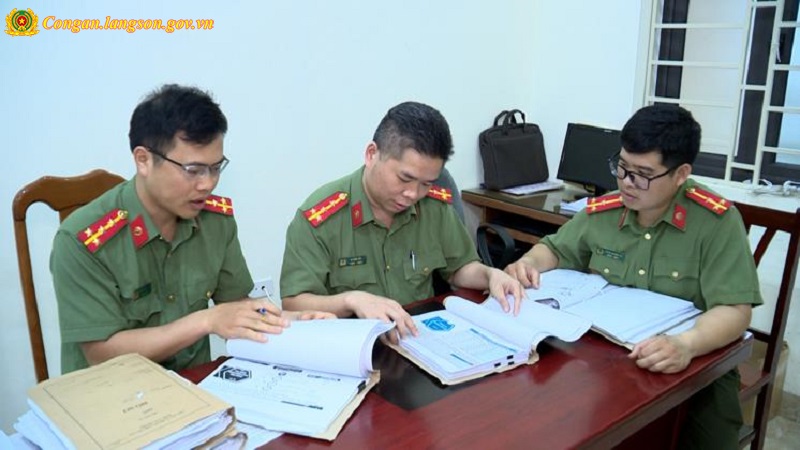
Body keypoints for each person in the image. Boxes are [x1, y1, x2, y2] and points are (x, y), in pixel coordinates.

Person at [504, 104, 761, 449]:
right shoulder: (606, 210)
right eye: (622, 167)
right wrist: (528, 263)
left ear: (681, 174)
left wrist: (687, 345)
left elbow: (735, 310)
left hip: (693, 368)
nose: (626, 182)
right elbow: (555, 249)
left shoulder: (716, 222)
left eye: (643, 174)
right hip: (608, 364)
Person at [51, 84, 331, 374]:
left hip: (192, 384)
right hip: (110, 389)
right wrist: (206, 320)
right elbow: (101, 354)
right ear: (143, 160)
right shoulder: (83, 240)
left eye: (216, 168)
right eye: (193, 170)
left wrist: (291, 322)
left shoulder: (215, 220)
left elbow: (236, 306)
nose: (207, 184)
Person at [280, 101, 525, 342]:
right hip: (353, 345)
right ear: (372, 154)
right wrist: (351, 300)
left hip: (419, 338)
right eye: (404, 178)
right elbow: (293, 303)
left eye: (426, 183)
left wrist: (490, 275)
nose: (413, 194)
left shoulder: (434, 205)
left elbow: (460, 268)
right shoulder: (322, 217)